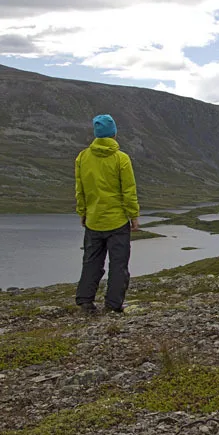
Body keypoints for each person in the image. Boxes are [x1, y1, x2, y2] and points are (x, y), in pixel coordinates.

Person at [74, 114, 140, 314]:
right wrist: (133, 215)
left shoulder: (83, 157)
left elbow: (80, 189)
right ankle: (113, 305)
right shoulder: (121, 158)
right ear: (114, 133)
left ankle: (85, 301)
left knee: (91, 262)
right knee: (118, 264)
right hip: (117, 221)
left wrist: (83, 212)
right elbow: (128, 191)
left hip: (93, 220)